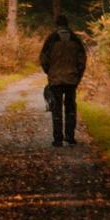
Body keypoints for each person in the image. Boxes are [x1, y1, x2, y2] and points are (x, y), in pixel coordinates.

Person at [39, 15, 87, 147]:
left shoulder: (51, 39)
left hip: (55, 80)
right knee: (71, 108)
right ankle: (70, 137)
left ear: (57, 25)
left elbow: (43, 58)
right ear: (67, 24)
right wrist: (78, 76)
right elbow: (82, 60)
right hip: (72, 79)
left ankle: (58, 139)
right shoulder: (75, 39)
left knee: (56, 109)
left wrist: (49, 72)